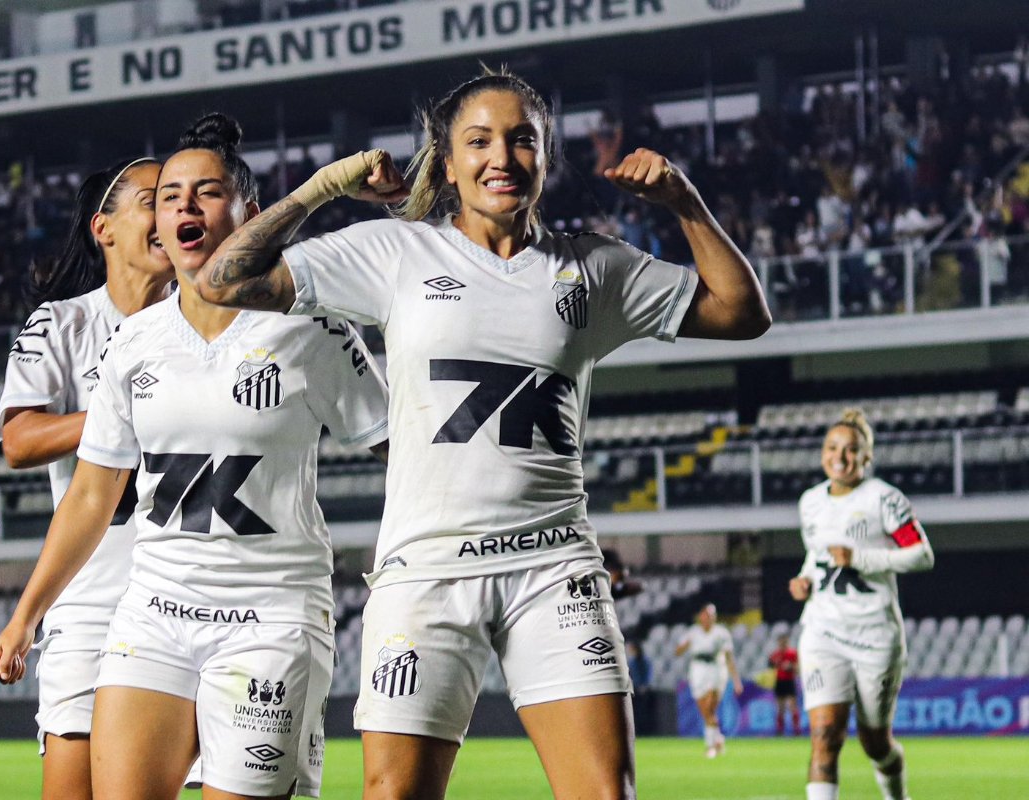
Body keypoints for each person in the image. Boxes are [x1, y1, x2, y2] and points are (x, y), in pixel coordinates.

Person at [186, 69, 769, 799]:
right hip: (426, 572)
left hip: (554, 567)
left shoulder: (592, 266)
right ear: (449, 158)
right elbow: (222, 282)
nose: (503, 157)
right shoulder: (394, 254)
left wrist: (685, 204)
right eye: (480, 141)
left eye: (523, 139)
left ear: (546, 155)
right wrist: (321, 190)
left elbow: (743, 313)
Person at [0, 114, 391, 800]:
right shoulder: (133, 343)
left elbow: (403, 453)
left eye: (205, 193)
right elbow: (88, 495)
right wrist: (24, 619)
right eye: (169, 196)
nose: (182, 208)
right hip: (155, 615)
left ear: (250, 214)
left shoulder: (313, 328)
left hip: (271, 616)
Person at [0, 156, 173, 800]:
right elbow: (19, 440)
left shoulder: (209, 323)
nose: (173, 211)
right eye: (153, 198)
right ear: (105, 228)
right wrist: (114, 413)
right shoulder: (61, 324)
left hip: (190, 589)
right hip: (91, 598)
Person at [789, 409, 934, 800]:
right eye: (833, 447)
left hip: (875, 635)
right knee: (824, 736)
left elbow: (922, 554)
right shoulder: (810, 502)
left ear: (867, 458)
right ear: (822, 453)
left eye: (852, 450)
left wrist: (860, 559)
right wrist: (805, 579)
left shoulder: (884, 499)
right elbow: (817, 554)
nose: (840, 456)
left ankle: (896, 793)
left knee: (875, 742)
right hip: (823, 631)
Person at [675, 604, 743, 758]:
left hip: (716, 669)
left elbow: (728, 657)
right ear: (701, 616)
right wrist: (685, 645)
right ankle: (718, 738)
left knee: (710, 707)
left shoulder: (721, 633)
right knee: (705, 711)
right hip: (698, 670)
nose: (708, 618)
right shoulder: (693, 632)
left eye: (711, 615)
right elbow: (677, 651)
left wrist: (736, 680)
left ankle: (710, 745)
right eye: (706, 615)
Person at [769, 633, 800, 735]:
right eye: (781, 642)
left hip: (789, 680)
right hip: (779, 681)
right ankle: (780, 730)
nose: (782, 644)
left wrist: (790, 667)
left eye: (784, 641)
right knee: (780, 707)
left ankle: (796, 729)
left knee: (792, 705)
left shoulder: (792, 653)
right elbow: (770, 667)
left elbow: (798, 669)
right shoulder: (775, 654)